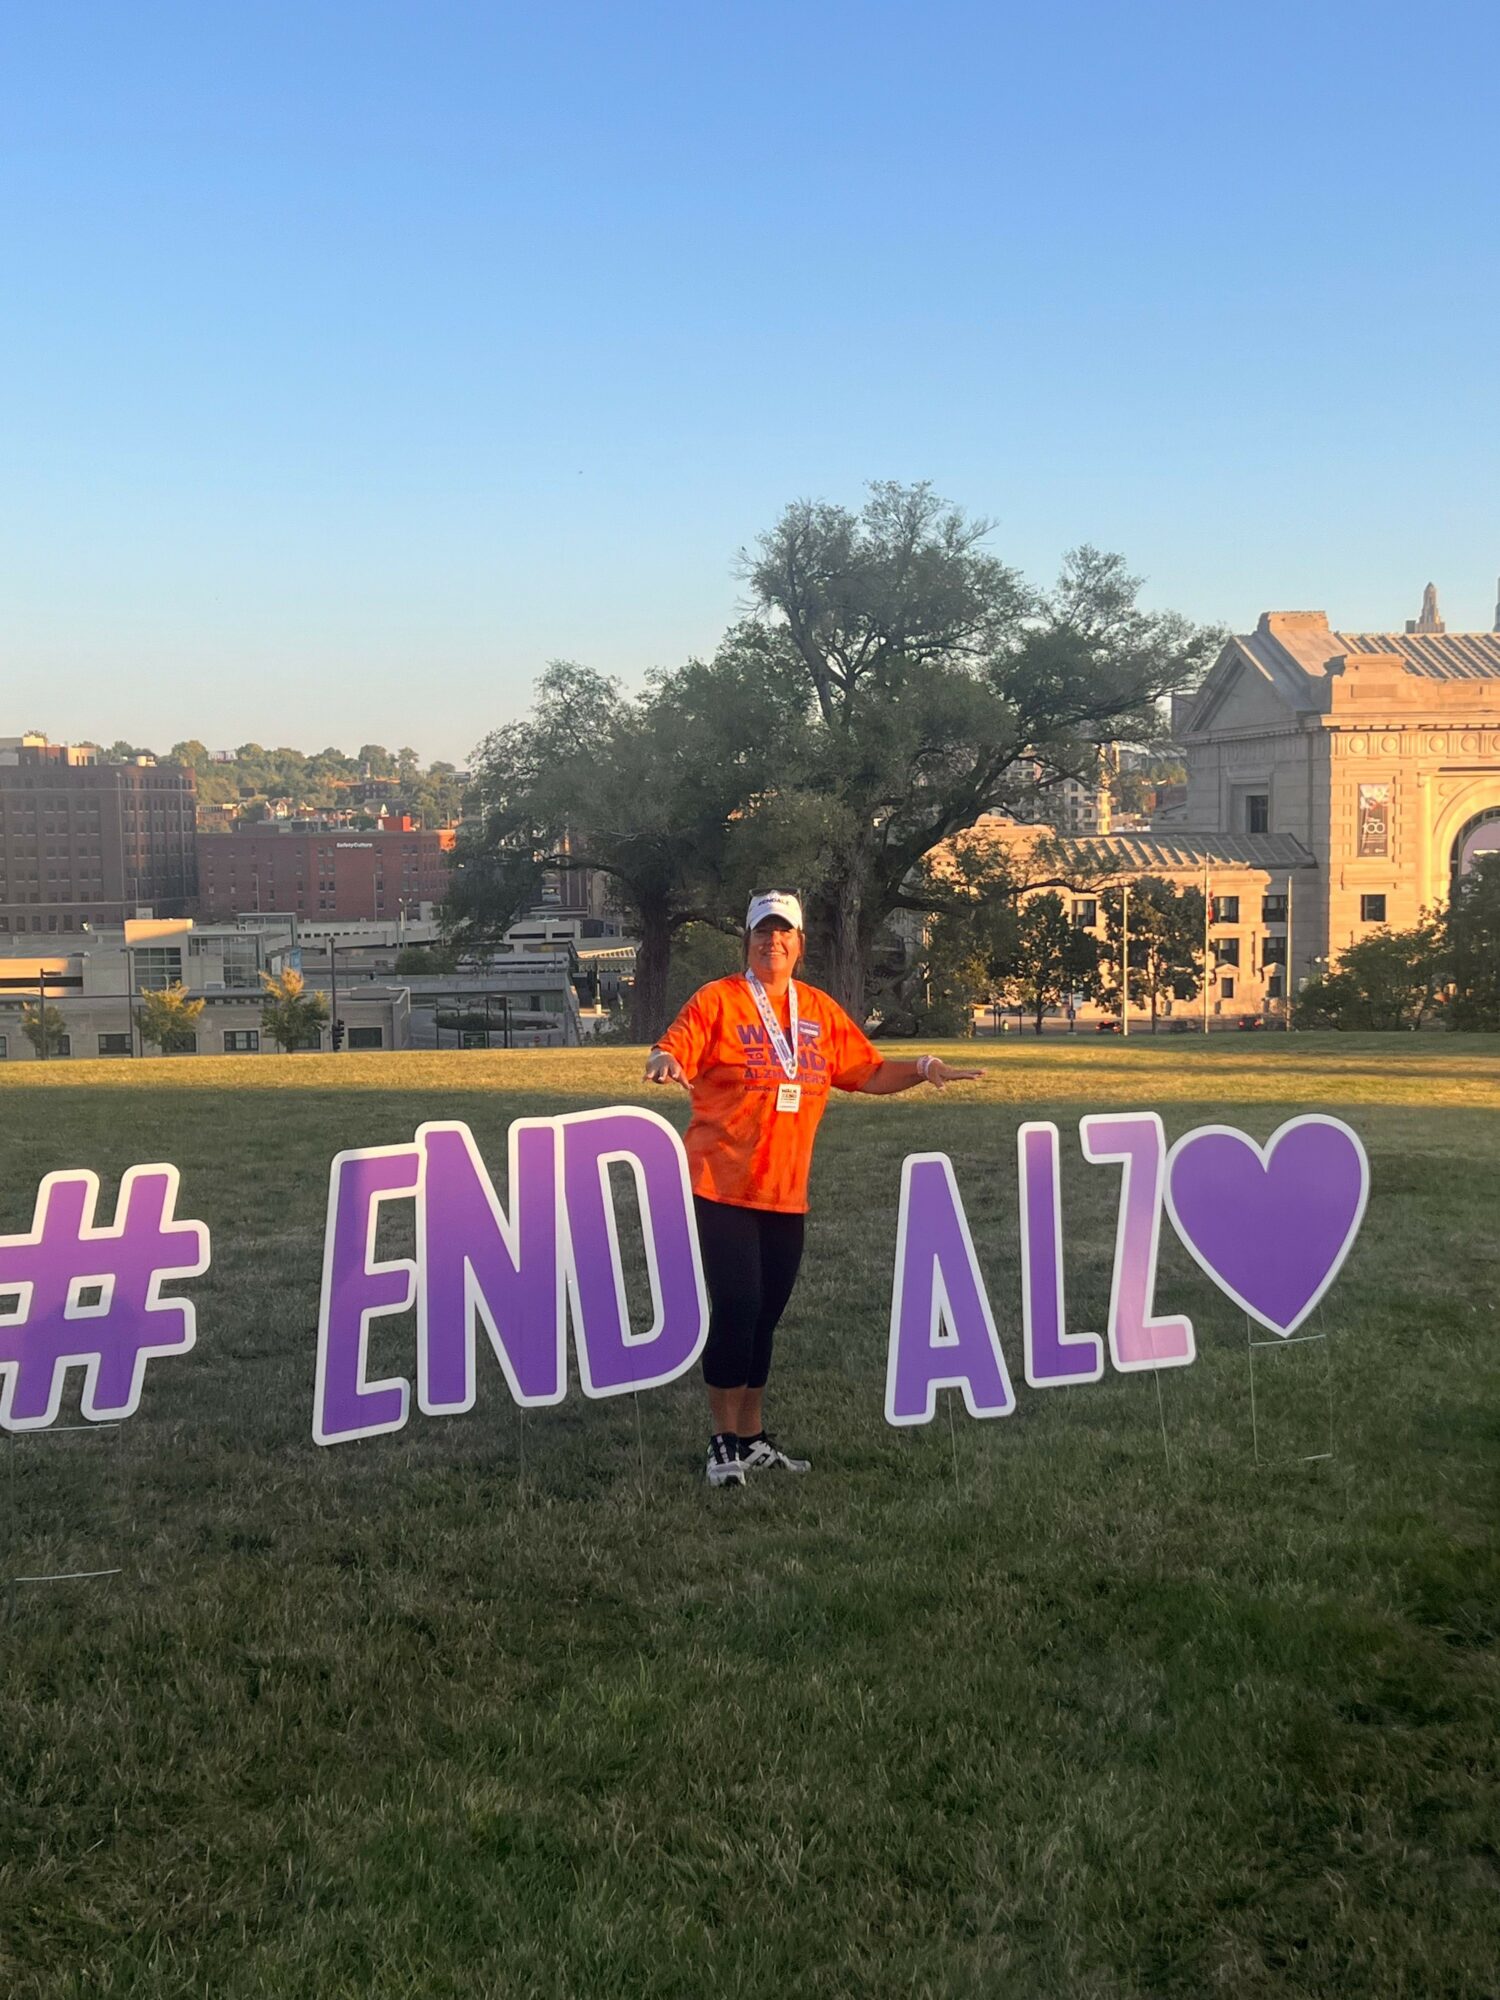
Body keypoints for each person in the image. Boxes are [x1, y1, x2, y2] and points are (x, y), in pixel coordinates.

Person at [644, 891, 983, 1488]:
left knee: (766, 1316)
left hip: (785, 1191)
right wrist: (663, 1058)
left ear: (800, 944)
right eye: (762, 932)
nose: (772, 941)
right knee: (739, 1307)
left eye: (784, 933)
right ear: (747, 942)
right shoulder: (718, 1001)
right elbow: (675, 1045)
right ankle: (722, 1441)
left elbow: (869, 1071)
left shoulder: (818, 1010)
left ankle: (752, 1439)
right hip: (719, 1183)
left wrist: (926, 1065)